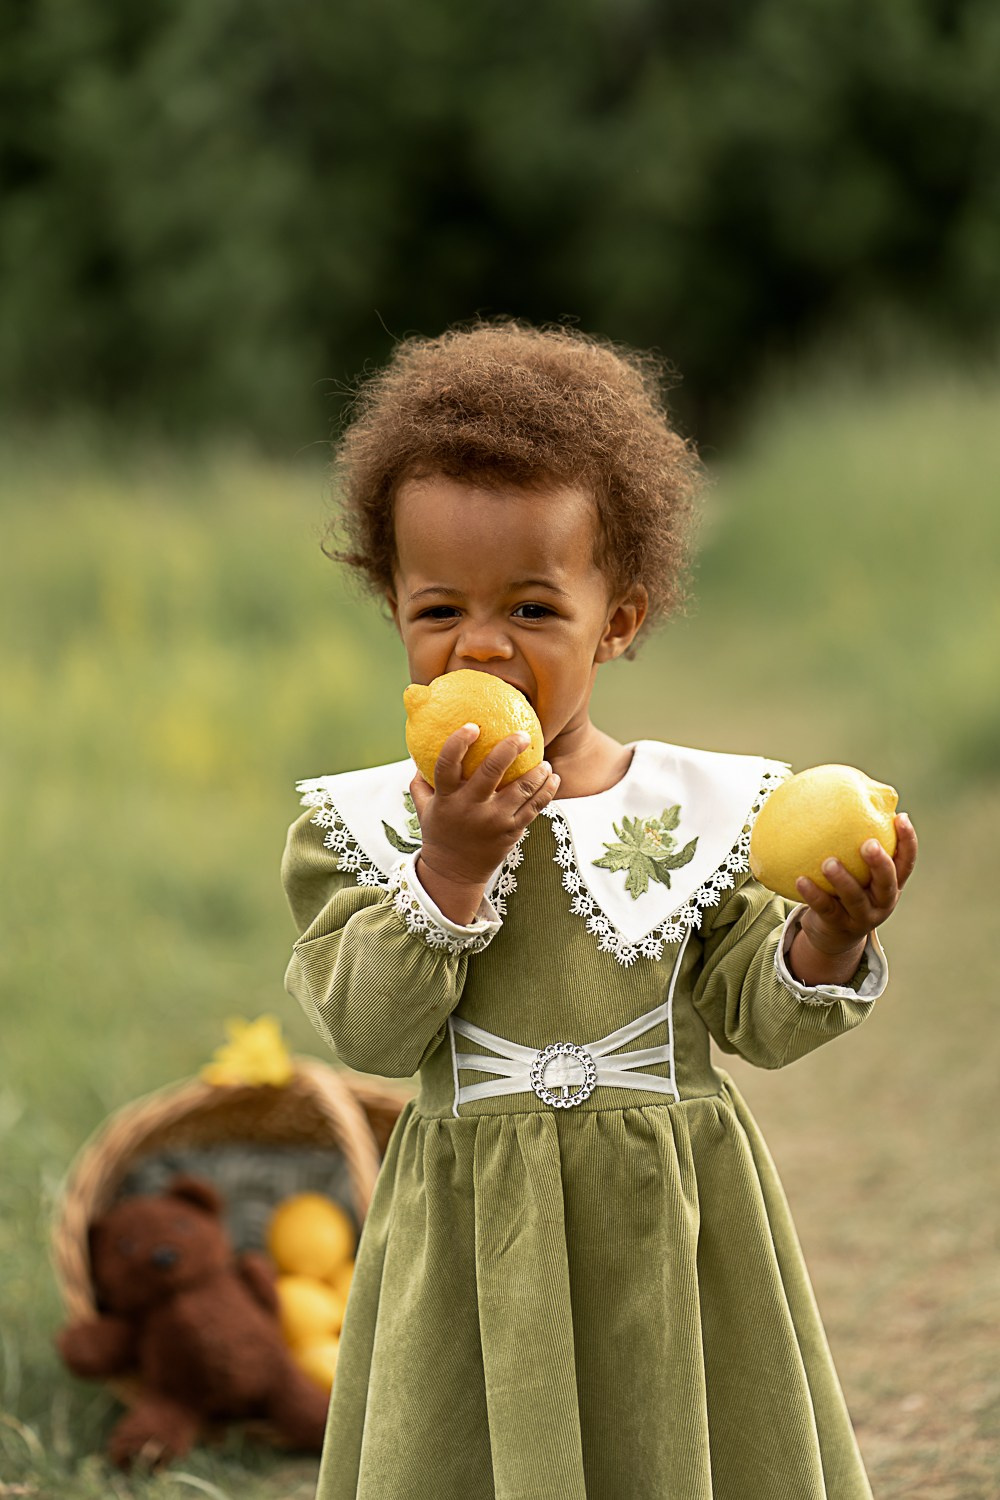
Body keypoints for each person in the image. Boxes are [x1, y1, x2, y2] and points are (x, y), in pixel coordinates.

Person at [281, 321, 918, 1500]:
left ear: (615, 621)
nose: (480, 644)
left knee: (670, 1443)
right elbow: (369, 1032)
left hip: (670, 1226)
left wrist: (826, 936)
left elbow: (756, 1016)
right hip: (474, 1236)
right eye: (438, 610)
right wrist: (449, 868)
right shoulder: (361, 827)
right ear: (393, 608)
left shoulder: (703, 812)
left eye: (532, 609)